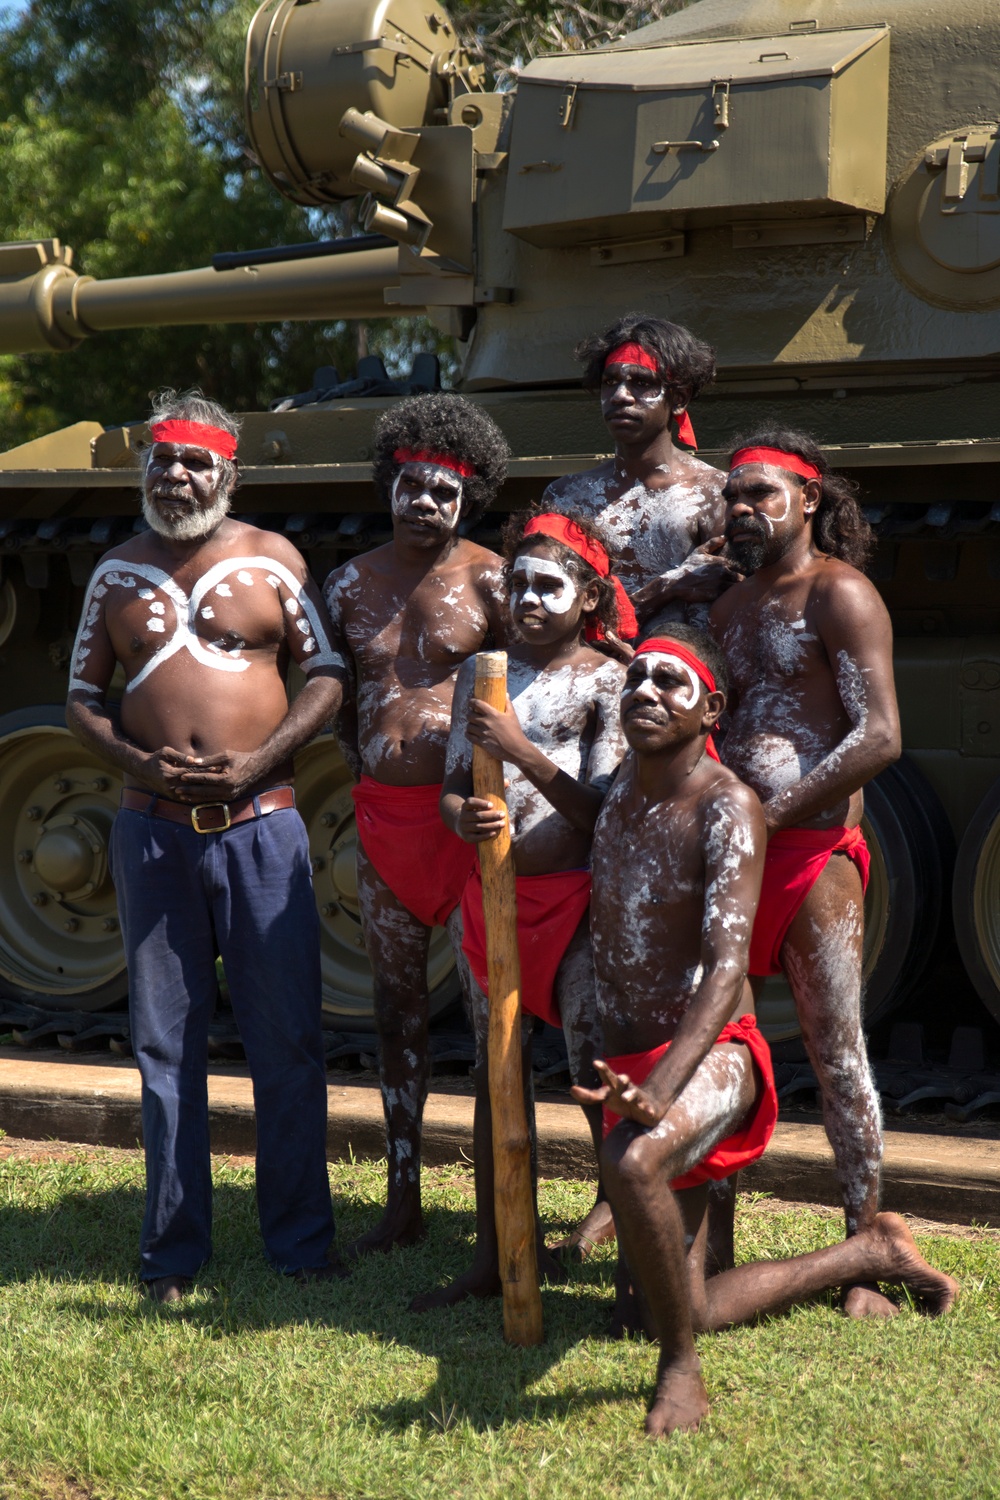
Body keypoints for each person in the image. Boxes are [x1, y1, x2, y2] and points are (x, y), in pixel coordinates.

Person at [574, 630, 957, 1439]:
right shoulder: (618, 797)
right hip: (638, 1063)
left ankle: (681, 1378)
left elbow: (722, 972)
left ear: (711, 708)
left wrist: (661, 1089)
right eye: (634, 678)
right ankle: (864, 1257)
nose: (644, 691)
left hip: (711, 1057)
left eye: (670, 682)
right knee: (687, 1303)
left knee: (632, 1159)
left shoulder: (727, 806)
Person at [65, 390, 343, 1301]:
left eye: (194, 463)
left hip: (261, 828)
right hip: (153, 835)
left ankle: (301, 1244)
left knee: (288, 1041)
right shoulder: (114, 574)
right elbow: (81, 701)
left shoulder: (274, 559)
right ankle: (171, 1255)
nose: (174, 476)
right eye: (161, 460)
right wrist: (137, 760)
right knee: (164, 1047)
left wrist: (259, 759)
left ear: (229, 471)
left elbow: (328, 677)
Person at [412, 511, 629, 1308]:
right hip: (492, 901)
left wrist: (521, 751)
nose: (530, 599)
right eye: (518, 585)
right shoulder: (481, 672)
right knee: (495, 1073)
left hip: (576, 907)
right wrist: (459, 817)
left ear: (589, 599)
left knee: (594, 1077)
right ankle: (495, 1251)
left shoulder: (607, 679)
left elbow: (601, 812)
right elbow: (449, 789)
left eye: (550, 586)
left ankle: (630, 1260)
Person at [708, 429, 902, 1317]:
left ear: (809, 499)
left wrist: (772, 815)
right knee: (723, 1050)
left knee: (837, 1054)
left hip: (813, 856)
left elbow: (879, 736)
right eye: (733, 497)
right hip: (736, 854)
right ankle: (716, 1247)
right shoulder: (733, 604)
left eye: (761, 494)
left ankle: (865, 1251)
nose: (743, 509)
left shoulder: (841, 593)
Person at [322, 392, 510, 1257]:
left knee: (489, 1016)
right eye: (412, 487)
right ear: (387, 486)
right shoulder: (349, 583)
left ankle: (496, 1200)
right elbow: (335, 696)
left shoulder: (493, 579)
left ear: (469, 498)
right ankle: (403, 1196)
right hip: (384, 819)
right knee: (395, 1008)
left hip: (468, 821)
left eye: (444, 491)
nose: (425, 503)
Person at [541, 312, 739, 638]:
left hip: (682, 675)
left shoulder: (716, 494)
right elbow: (548, 610)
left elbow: (733, 608)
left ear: (679, 398)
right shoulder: (566, 497)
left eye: (641, 382)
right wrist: (667, 587)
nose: (620, 396)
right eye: (610, 382)